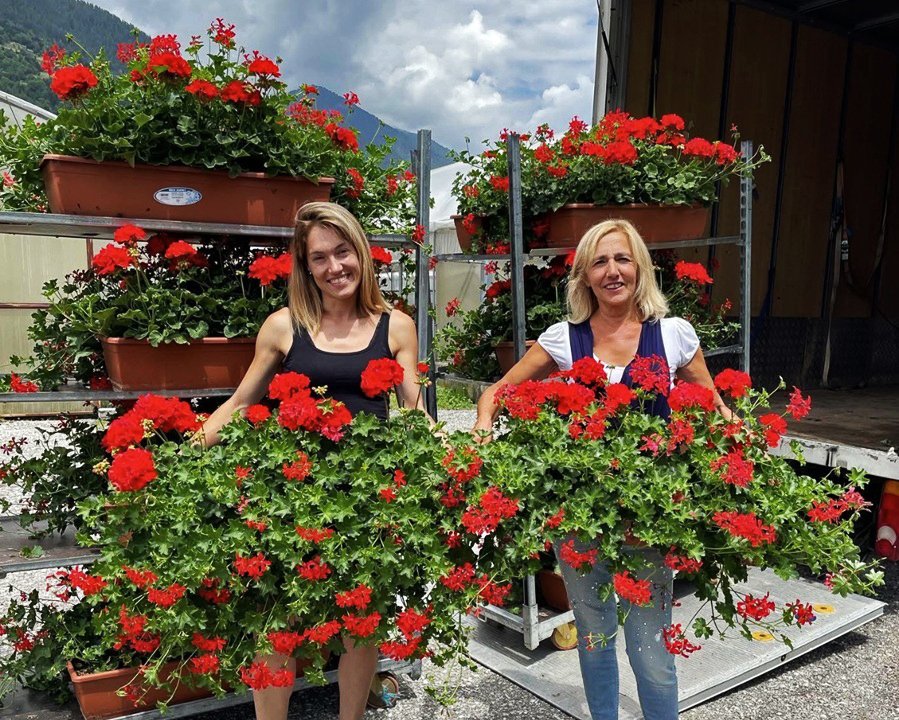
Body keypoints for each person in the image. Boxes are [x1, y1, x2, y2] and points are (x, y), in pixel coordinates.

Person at [472, 219, 730, 720]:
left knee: (650, 650)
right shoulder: (564, 338)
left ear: (640, 269)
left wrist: (736, 452)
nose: (613, 271)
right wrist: (484, 424)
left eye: (622, 259)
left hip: (650, 518)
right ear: (585, 277)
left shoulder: (673, 335)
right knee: (593, 639)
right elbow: (495, 392)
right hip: (579, 519)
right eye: (600, 261)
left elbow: (714, 408)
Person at [201, 201, 425, 720]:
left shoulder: (396, 327)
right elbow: (240, 403)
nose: (334, 267)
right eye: (319, 257)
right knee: (274, 617)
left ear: (362, 254)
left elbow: (414, 411)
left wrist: (459, 461)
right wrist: (183, 457)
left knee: (359, 622)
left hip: (366, 498)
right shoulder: (283, 325)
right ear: (306, 267)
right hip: (288, 493)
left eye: (342, 251)